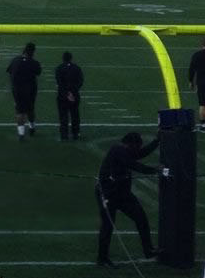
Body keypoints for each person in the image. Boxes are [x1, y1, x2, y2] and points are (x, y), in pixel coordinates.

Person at [96, 132, 160, 265]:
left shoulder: (126, 150)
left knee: (141, 218)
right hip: (108, 193)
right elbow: (134, 164)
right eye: (137, 146)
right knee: (108, 225)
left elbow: (141, 153)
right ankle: (102, 258)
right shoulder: (117, 150)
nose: (137, 150)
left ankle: (148, 250)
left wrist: (157, 141)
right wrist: (155, 170)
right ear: (130, 144)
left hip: (122, 194)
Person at [7, 41, 41, 137]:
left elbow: (9, 72)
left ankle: (21, 133)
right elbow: (38, 72)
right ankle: (32, 127)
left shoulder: (16, 60)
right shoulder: (34, 63)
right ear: (33, 52)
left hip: (17, 90)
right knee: (30, 110)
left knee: (20, 111)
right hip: (30, 90)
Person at [54, 50, 83, 139]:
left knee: (63, 115)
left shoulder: (59, 68)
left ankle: (64, 134)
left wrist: (67, 93)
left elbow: (60, 83)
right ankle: (75, 133)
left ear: (63, 59)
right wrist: (72, 92)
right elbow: (80, 81)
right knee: (75, 115)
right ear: (71, 58)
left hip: (62, 96)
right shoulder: (77, 68)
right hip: (74, 95)